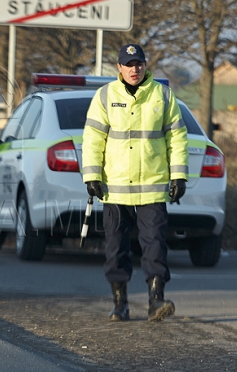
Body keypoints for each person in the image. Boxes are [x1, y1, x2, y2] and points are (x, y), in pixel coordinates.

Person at [81, 43, 189, 322]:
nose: (134, 69)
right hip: (115, 189)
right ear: (119, 67)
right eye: (128, 65)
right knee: (116, 249)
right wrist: (91, 176)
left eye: (138, 64)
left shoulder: (163, 95)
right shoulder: (104, 96)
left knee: (155, 247)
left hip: (152, 189)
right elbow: (93, 139)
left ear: (145, 65)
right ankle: (120, 304)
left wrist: (179, 175)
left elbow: (176, 137)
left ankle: (156, 301)